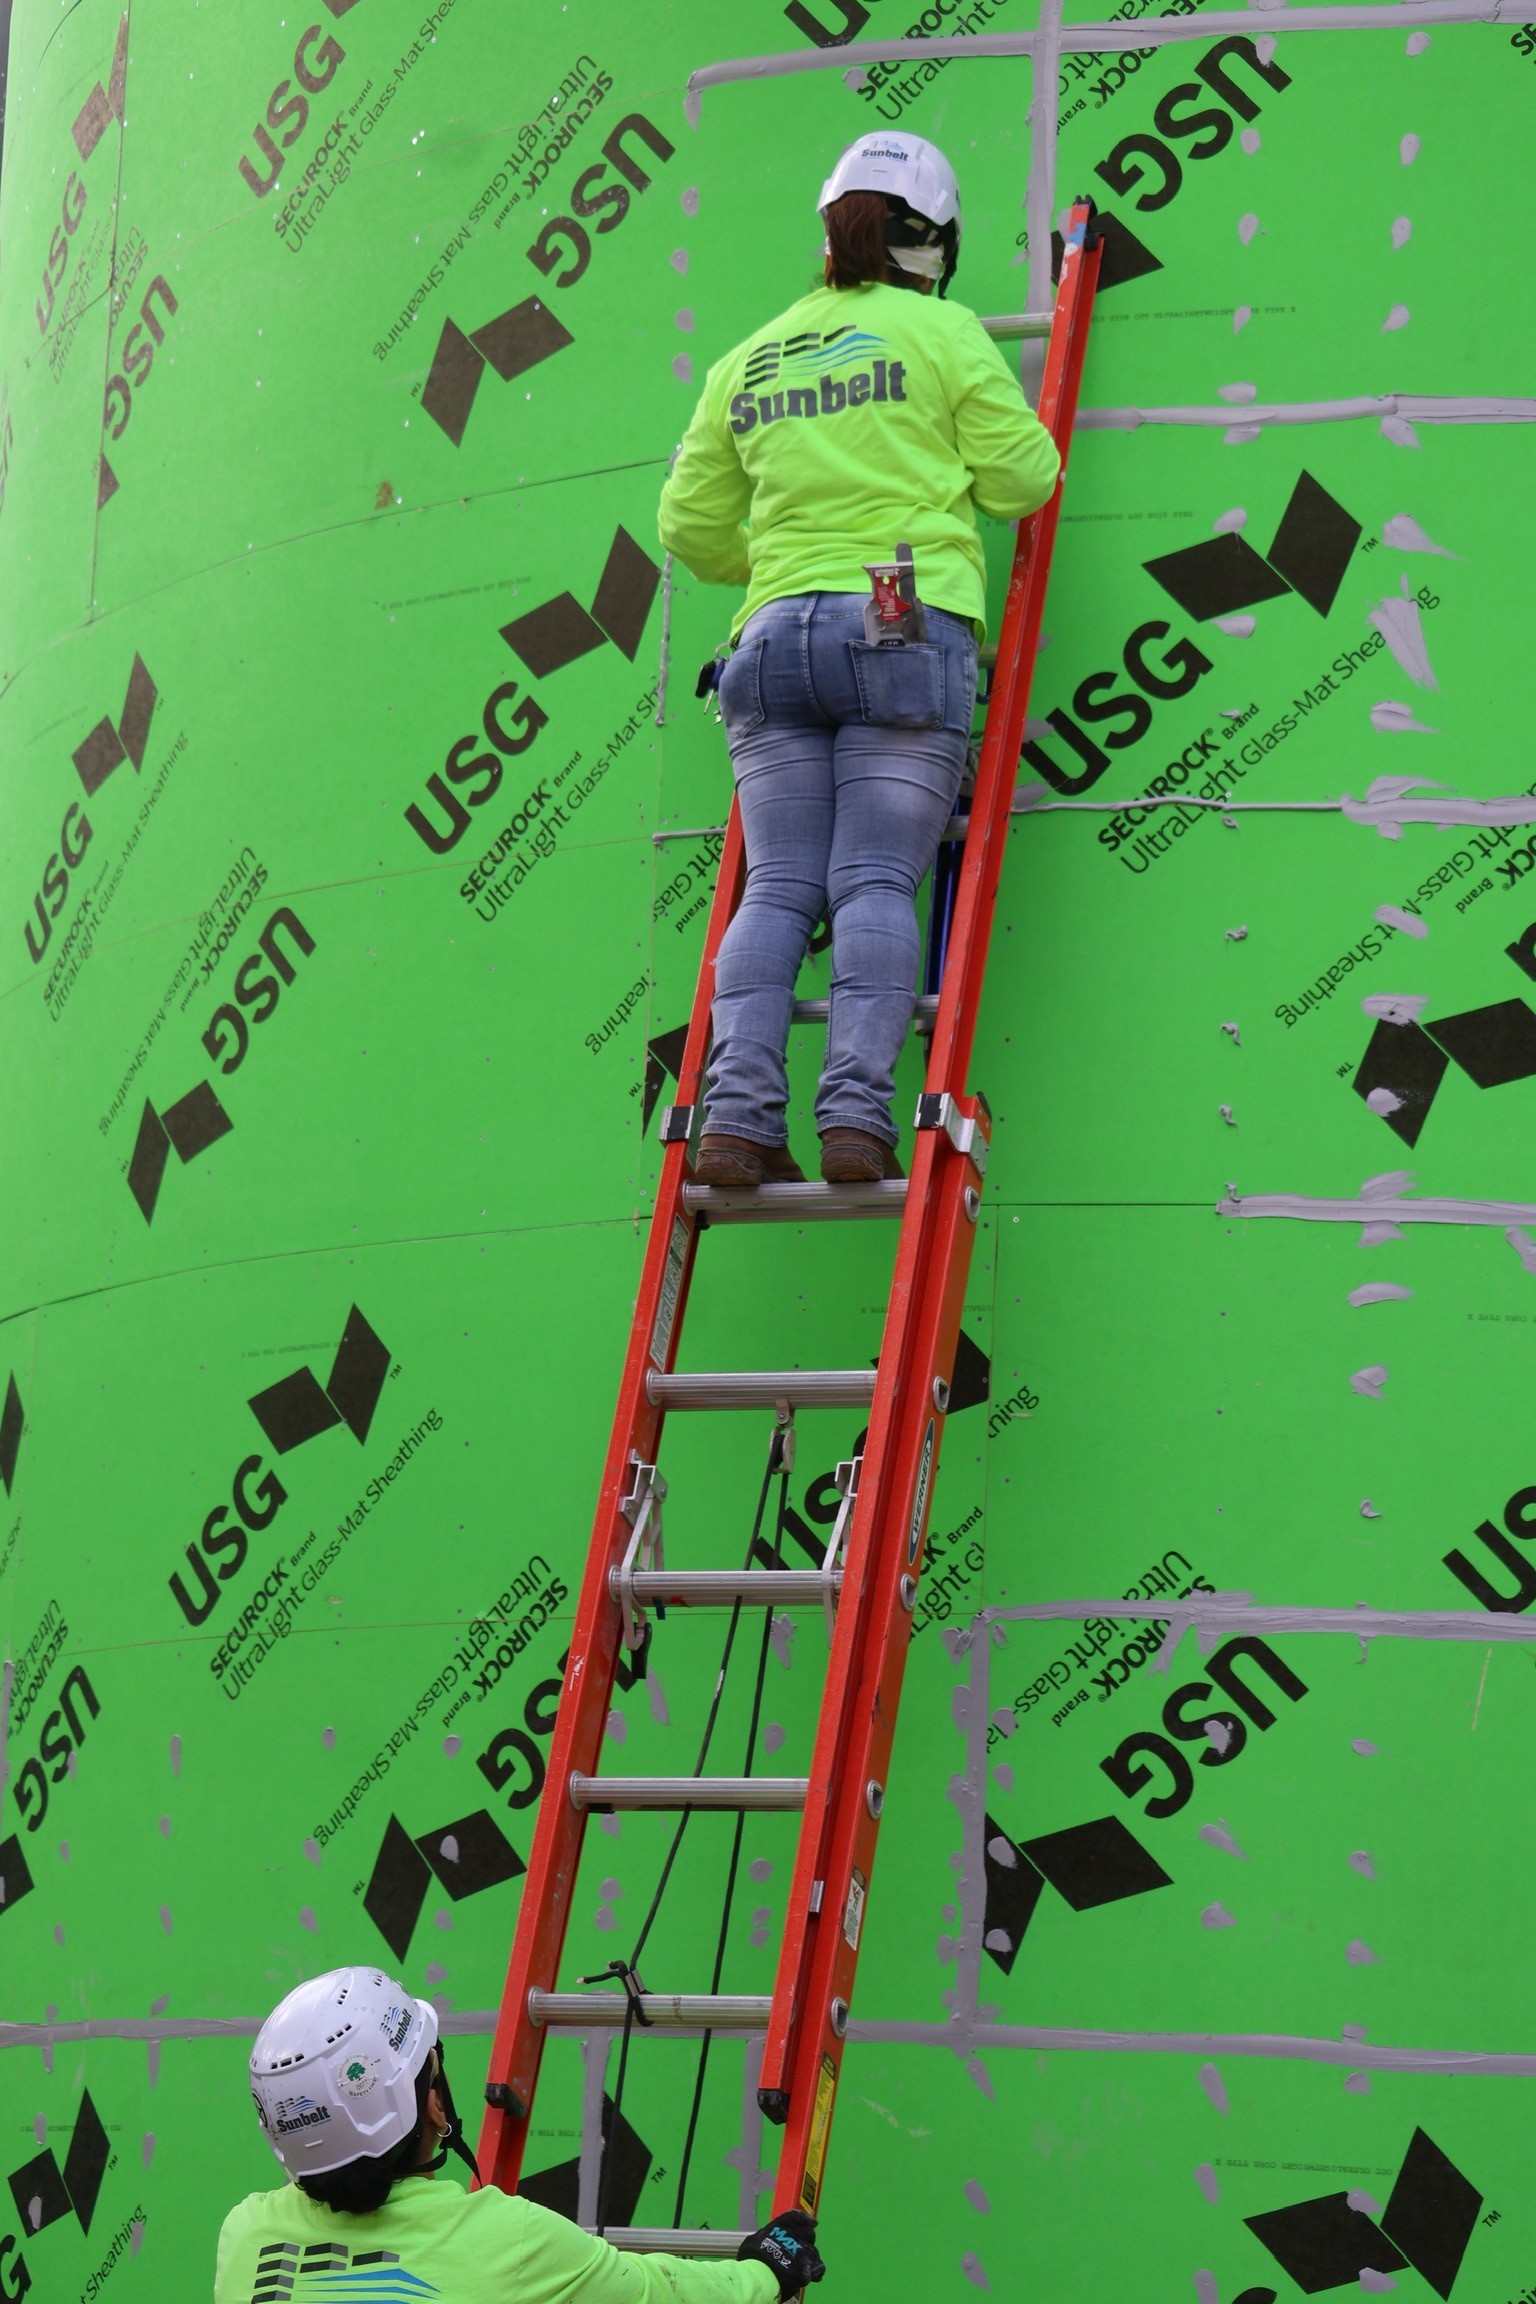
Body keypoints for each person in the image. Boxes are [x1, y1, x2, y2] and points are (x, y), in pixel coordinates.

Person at [659, 131, 1060, 1190]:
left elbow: (688, 529)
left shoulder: (747, 358)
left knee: (776, 889)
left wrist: (777, 564)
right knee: (876, 879)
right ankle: (853, 1119)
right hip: (895, 626)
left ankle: (737, 1119)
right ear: (932, 244)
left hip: (768, 642)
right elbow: (1023, 480)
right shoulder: (941, 331)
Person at [215, 1965, 826, 2301]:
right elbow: (656, 2296)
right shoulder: (508, 2242)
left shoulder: (245, 2238)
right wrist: (764, 2270)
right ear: (433, 2104)